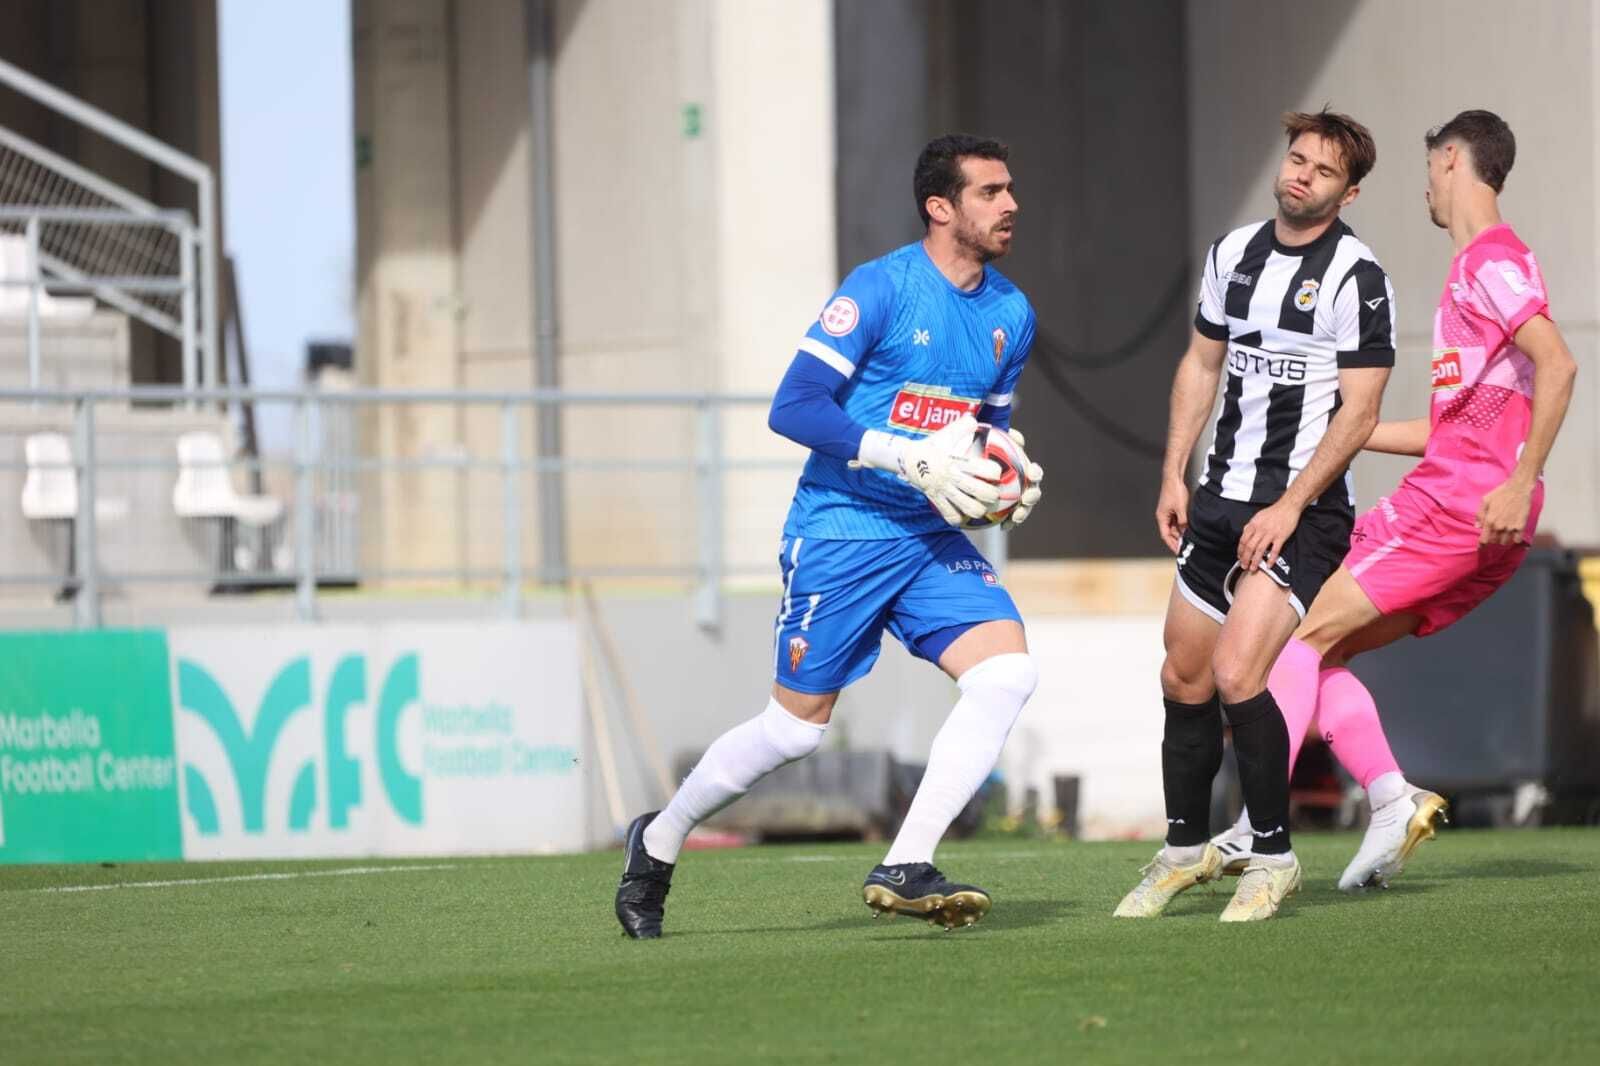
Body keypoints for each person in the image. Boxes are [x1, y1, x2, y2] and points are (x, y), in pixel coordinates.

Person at [614, 133, 1045, 938]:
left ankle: (906, 862)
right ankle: (660, 838)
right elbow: (795, 405)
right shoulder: (879, 289)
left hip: (926, 538)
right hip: (843, 529)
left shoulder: (1011, 314)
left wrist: (997, 484)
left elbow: (987, 436)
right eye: (990, 192)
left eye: (1010, 188)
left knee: (1007, 674)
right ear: (940, 207)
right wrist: (903, 454)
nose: (1011, 204)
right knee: (793, 731)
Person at [1257, 109, 1577, 892]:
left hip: (1458, 506)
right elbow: (1448, 426)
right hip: (1479, 512)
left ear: (1454, 159)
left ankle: (1252, 832)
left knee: (1289, 638)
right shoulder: (1474, 268)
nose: (1426, 185)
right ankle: (1391, 799)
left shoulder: (1489, 261)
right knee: (1323, 650)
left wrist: (1519, 476)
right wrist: (1349, 430)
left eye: (1431, 165)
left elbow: (1560, 365)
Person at [1116, 109, 1396, 922]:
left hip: (1299, 516)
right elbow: (1202, 363)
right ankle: (1178, 852)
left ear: (1349, 191)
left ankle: (1272, 858)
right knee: (1184, 675)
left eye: (1323, 169)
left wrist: (1290, 503)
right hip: (1217, 503)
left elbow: (1362, 410)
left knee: (1242, 673)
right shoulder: (1231, 253)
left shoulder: (1357, 276)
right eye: (1297, 158)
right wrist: (1174, 471)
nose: (1301, 173)